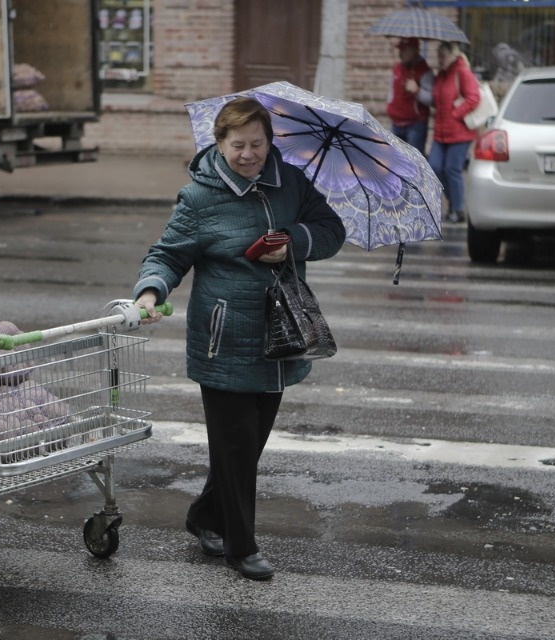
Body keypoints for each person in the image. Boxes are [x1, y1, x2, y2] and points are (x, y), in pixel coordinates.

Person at [132, 97, 346, 581]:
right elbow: (167, 254)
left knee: (245, 448)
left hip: (279, 336)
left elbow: (332, 230)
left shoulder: (291, 181)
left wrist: (293, 240)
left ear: (270, 141)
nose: (248, 154)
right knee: (236, 445)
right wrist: (149, 293)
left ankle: (205, 516)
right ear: (219, 143)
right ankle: (240, 545)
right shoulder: (201, 197)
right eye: (238, 145)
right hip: (224, 339)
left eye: (257, 143)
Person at [428, 41, 480, 224]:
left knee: (452, 169)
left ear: (452, 55)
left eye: (442, 56)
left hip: (460, 132)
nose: (439, 60)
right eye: (438, 56)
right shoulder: (441, 75)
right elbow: (437, 100)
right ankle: (453, 202)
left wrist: (455, 114)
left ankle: (458, 210)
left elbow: (474, 97)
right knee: (434, 167)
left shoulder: (462, 71)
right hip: (441, 132)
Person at [386, 37, 434, 156]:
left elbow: (432, 99)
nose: (400, 53)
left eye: (404, 50)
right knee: (396, 161)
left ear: (414, 50)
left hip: (415, 126)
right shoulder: (397, 68)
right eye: (400, 50)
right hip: (396, 123)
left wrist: (417, 90)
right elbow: (392, 90)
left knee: (413, 163)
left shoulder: (424, 71)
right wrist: (390, 106)